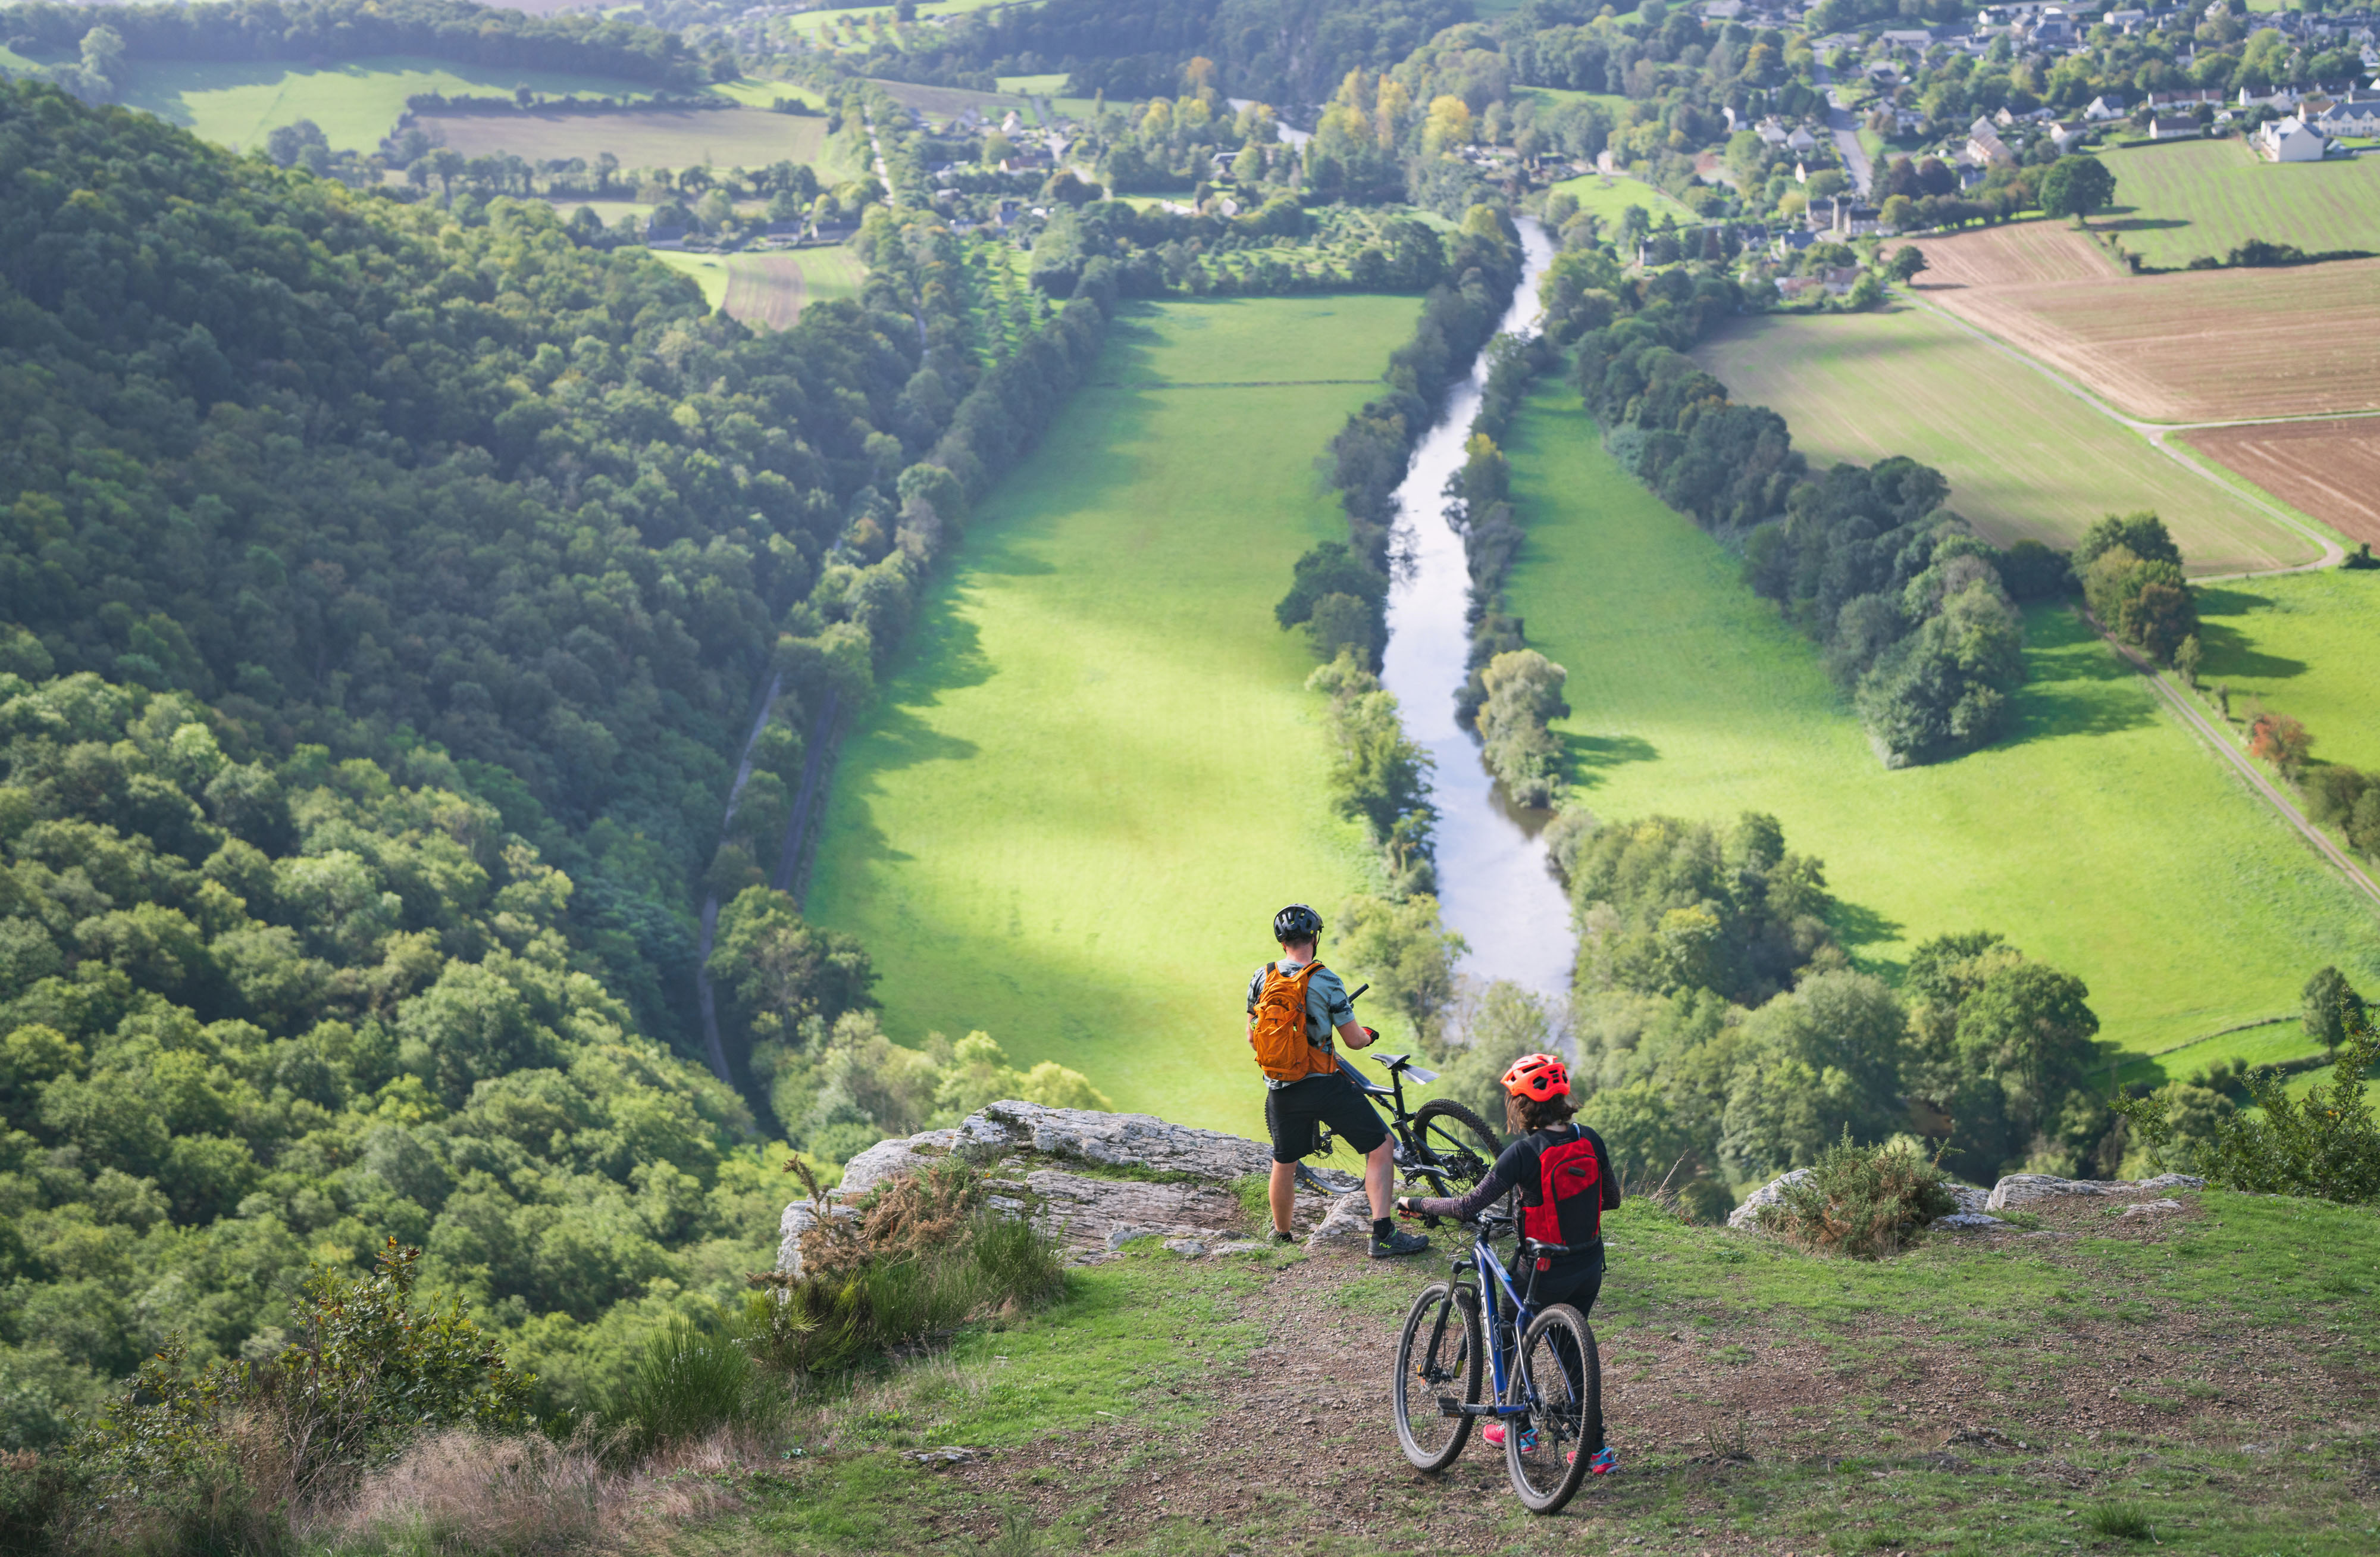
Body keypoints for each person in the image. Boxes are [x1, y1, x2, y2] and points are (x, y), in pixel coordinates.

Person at [1396, 1051, 1620, 1474]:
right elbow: (1611, 1199)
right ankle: (1594, 1450)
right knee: (1568, 1346)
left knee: (1504, 1327)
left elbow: (1466, 1206)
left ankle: (1518, 1427)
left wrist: (1416, 1202)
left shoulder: (1523, 1153)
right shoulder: (1590, 1139)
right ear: (1564, 1100)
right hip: (1589, 1265)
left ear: (1522, 1106)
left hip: (1543, 1269)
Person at [1247, 903, 1430, 1260]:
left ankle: (1282, 1236)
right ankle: (1384, 1236)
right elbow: (1353, 1040)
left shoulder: (1261, 977)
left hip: (1281, 1088)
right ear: (1314, 938)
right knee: (1381, 1148)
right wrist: (1370, 1035)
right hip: (1325, 1087)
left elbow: (1253, 1038)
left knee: (1284, 1161)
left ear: (1282, 942)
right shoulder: (1326, 980)